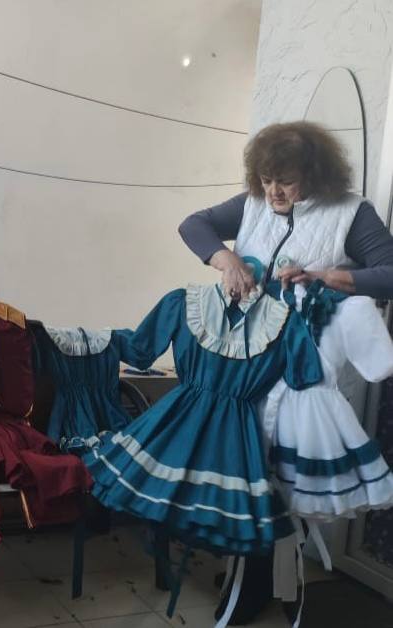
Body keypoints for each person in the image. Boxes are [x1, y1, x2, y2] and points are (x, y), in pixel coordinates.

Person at [179, 120, 393, 625]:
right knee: (245, 465)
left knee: (281, 480)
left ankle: (267, 581)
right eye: (266, 179)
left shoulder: (351, 212)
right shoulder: (254, 202)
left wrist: (329, 276)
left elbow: (389, 273)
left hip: (301, 373)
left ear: (315, 176)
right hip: (242, 363)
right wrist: (227, 259)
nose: (273, 192)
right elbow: (194, 225)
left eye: (287, 182)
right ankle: (250, 574)